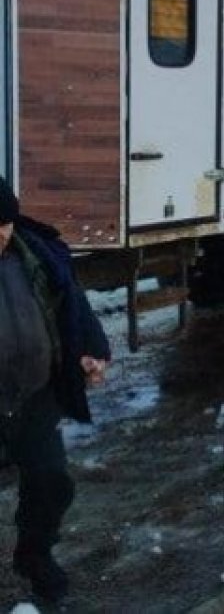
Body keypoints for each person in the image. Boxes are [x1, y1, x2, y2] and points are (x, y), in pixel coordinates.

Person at [0, 176, 109, 604]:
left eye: (6, 224)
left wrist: (91, 351)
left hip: (34, 395)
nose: (2, 235)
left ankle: (34, 553)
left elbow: (73, 306)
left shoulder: (36, 253)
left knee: (52, 481)